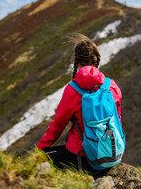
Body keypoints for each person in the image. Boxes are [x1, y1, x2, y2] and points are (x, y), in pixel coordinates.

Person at [36, 34, 122, 177]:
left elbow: (57, 126)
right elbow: (117, 122)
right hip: (112, 155)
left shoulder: (73, 90)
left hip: (82, 157)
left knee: (42, 159)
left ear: (77, 61)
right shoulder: (111, 86)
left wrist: (39, 149)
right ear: (96, 60)